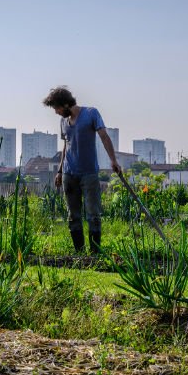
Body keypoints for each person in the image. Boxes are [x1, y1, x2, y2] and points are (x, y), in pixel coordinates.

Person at [43, 86, 121, 254]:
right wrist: (60, 171)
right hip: (69, 175)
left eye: (56, 108)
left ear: (65, 103)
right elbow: (66, 145)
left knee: (93, 214)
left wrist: (113, 160)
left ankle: (95, 253)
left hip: (89, 174)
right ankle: (79, 253)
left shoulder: (91, 113)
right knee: (73, 215)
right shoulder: (63, 121)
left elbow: (104, 137)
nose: (56, 112)